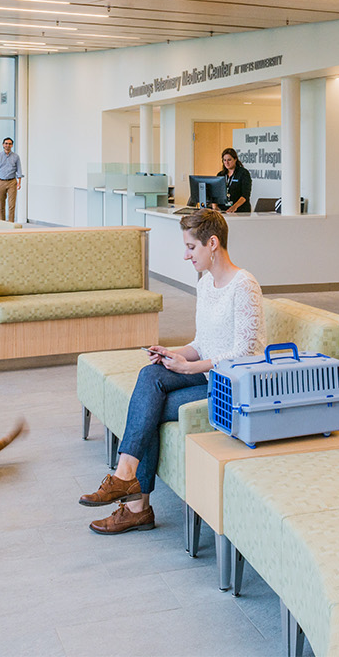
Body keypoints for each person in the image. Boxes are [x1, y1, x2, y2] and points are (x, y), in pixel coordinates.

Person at [80, 208, 263, 534]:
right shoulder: (207, 284)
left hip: (230, 385)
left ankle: (134, 500)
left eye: (191, 247)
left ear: (213, 244)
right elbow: (202, 343)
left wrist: (190, 366)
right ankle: (128, 483)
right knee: (149, 375)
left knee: (150, 408)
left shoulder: (244, 285)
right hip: (205, 373)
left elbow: (244, 354)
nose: (185, 255)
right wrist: (172, 353)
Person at [0, 137, 23, 222]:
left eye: (9, 144)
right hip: (1, 182)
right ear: (3, 144)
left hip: (12, 182)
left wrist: (19, 182)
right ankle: (2, 222)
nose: (7, 145)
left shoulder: (16, 157)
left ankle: (11, 223)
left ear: (12, 145)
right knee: (1, 204)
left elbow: (19, 170)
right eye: (6, 143)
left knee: (11, 205)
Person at [214, 147, 252, 214]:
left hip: (239, 211)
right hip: (223, 210)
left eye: (229, 160)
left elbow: (245, 195)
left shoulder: (243, 173)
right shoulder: (220, 175)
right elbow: (215, 193)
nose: (226, 162)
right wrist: (214, 206)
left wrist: (234, 207)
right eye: (224, 160)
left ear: (235, 159)